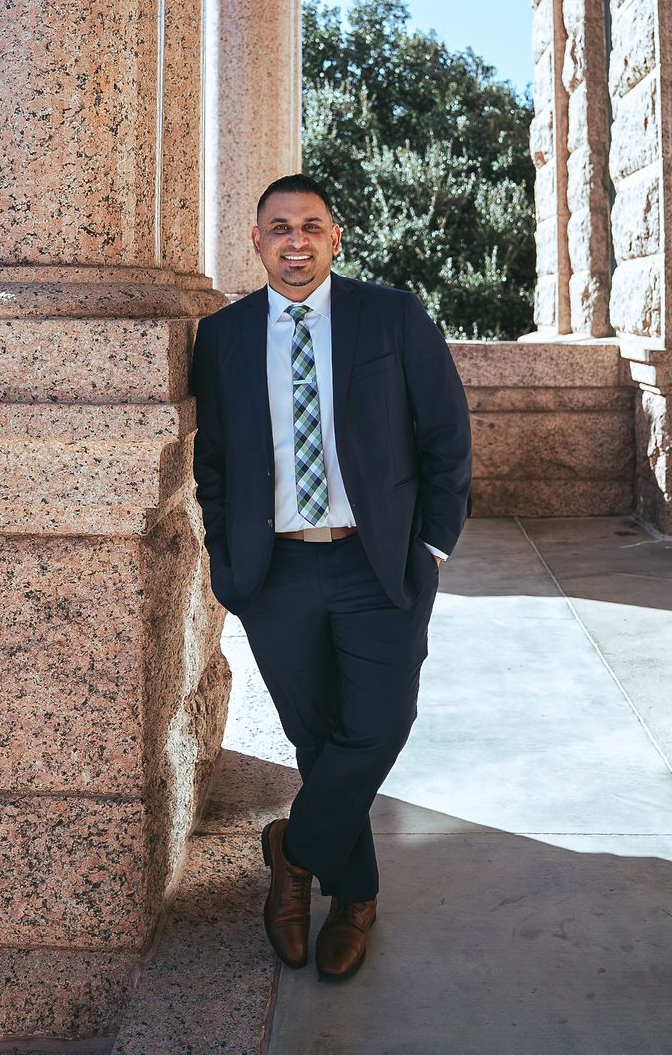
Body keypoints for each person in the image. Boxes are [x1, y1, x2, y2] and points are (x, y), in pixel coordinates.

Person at [191, 173, 471, 981]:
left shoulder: (392, 316)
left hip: (377, 563)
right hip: (274, 572)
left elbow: (446, 434)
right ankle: (356, 896)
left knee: (380, 724)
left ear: (335, 237)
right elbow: (215, 461)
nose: (296, 240)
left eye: (311, 225)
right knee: (317, 739)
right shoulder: (224, 336)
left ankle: (295, 848)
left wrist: (432, 547)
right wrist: (227, 558)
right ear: (256, 241)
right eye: (280, 227)